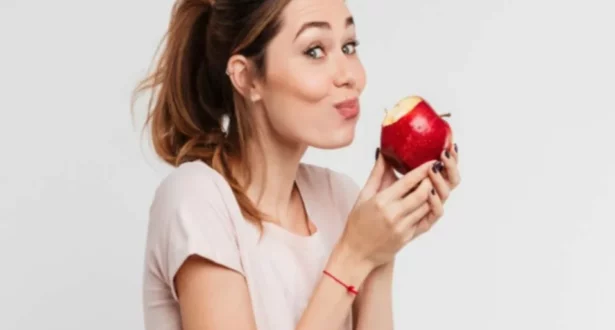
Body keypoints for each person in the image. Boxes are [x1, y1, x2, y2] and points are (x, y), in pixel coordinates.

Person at [133, 0, 461, 329]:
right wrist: (354, 256)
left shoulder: (338, 198)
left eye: (349, 46)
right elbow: (353, 258)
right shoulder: (197, 200)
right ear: (247, 78)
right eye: (315, 51)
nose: (350, 76)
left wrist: (384, 249)